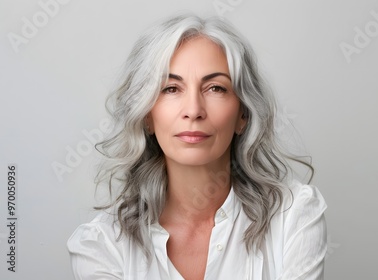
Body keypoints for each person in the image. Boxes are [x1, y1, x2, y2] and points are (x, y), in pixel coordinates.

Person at [67, 14, 327, 280]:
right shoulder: (101, 246)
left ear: (243, 115)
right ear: (146, 115)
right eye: (170, 88)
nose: (193, 111)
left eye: (215, 88)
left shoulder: (294, 216)